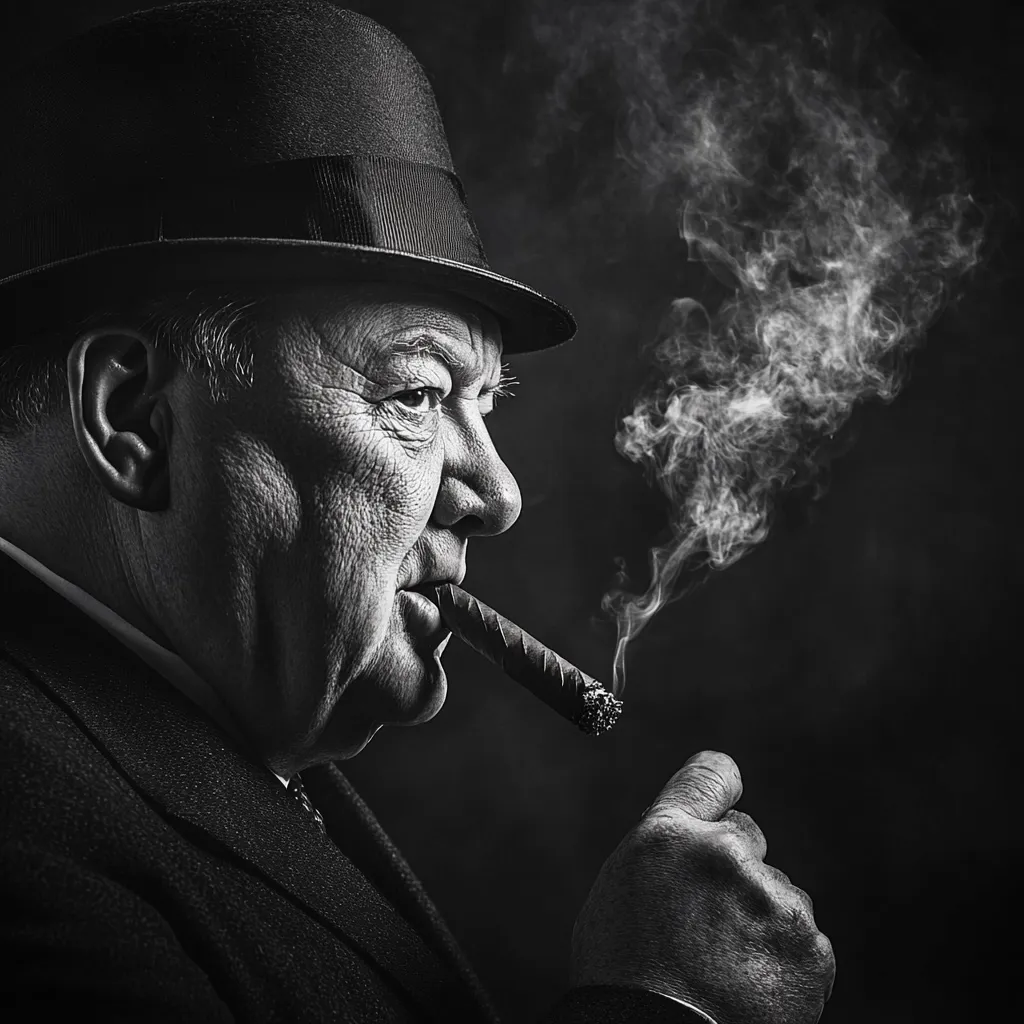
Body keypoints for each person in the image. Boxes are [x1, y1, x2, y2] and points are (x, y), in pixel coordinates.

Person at [0, 2, 835, 1021]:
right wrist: (664, 1004)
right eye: (415, 394)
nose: (498, 494)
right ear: (134, 417)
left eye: (483, 406)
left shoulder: (223, 744)